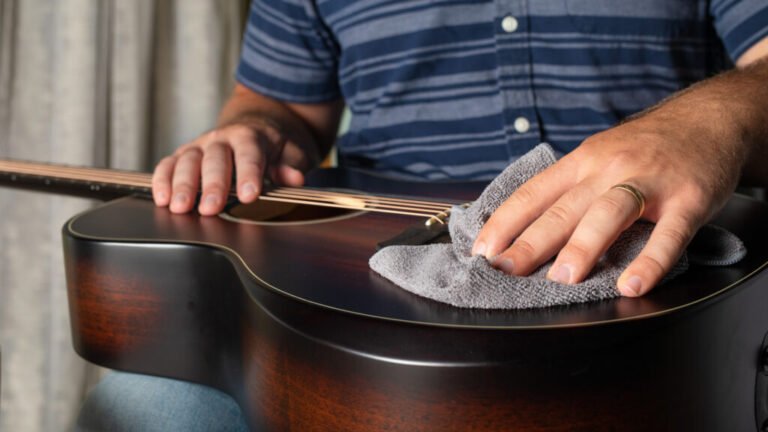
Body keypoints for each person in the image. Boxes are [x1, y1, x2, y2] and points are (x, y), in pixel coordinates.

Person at [76, 1, 768, 430]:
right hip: (350, 305)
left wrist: (707, 123)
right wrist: (250, 133)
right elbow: (276, 108)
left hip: (656, 317)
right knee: (138, 415)